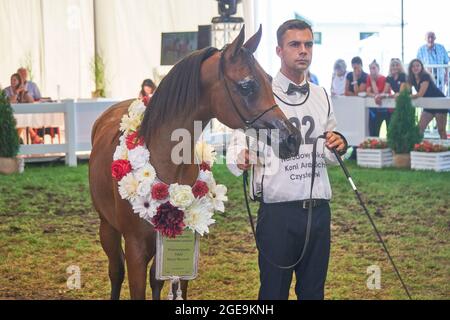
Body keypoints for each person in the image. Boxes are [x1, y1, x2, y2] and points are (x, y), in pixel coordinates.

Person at [226, 19, 347, 300]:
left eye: (308, 44)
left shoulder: (321, 95)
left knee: (313, 292)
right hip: (278, 212)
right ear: (279, 50)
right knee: (272, 292)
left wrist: (338, 144)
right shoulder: (259, 92)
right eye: (295, 44)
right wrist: (240, 157)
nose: (303, 50)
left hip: (318, 211)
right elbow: (235, 145)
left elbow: (329, 150)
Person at [408, 58, 448, 139]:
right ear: (411, 69)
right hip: (428, 105)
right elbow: (406, 90)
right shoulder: (412, 79)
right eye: (413, 66)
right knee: (420, 128)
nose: (415, 68)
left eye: (417, 65)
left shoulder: (425, 76)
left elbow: (420, 94)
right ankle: (418, 147)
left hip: (439, 104)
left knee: (441, 130)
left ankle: (446, 149)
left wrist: (407, 97)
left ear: (421, 67)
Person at [3, 73, 42, 143]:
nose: (12, 82)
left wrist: (25, 92)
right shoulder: (6, 90)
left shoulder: (23, 91)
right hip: (8, 114)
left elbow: (31, 101)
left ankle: (16, 139)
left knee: (23, 118)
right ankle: (33, 136)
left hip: (18, 115)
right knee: (23, 119)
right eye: (11, 80)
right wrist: (16, 92)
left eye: (14, 80)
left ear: (19, 82)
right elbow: (10, 101)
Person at [366, 60, 390, 137]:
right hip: (376, 109)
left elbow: (381, 93)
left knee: (389, 130)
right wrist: (372, 81)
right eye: (370, 69)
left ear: (378, 69)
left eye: (374, 68)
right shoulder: (369, 78)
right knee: (374, 131)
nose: (372, 70)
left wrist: (376, 95)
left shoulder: (384, 78)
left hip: (387, 109)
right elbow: (368, 92)